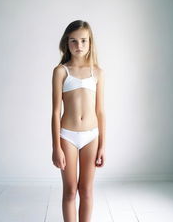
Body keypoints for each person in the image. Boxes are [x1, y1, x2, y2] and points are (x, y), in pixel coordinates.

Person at [51, 20, 106, 222]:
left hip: (91, 136)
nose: (79, 46)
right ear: (67, 43)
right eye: (73, 41)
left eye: (83, 41)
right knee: (70, 190)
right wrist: (56, 146)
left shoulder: (97, 72)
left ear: (90, 42)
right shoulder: (60, 71)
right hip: (68, 136)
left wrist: (102, 145)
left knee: (87, 190)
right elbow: (56, 112)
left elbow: (100, 111)